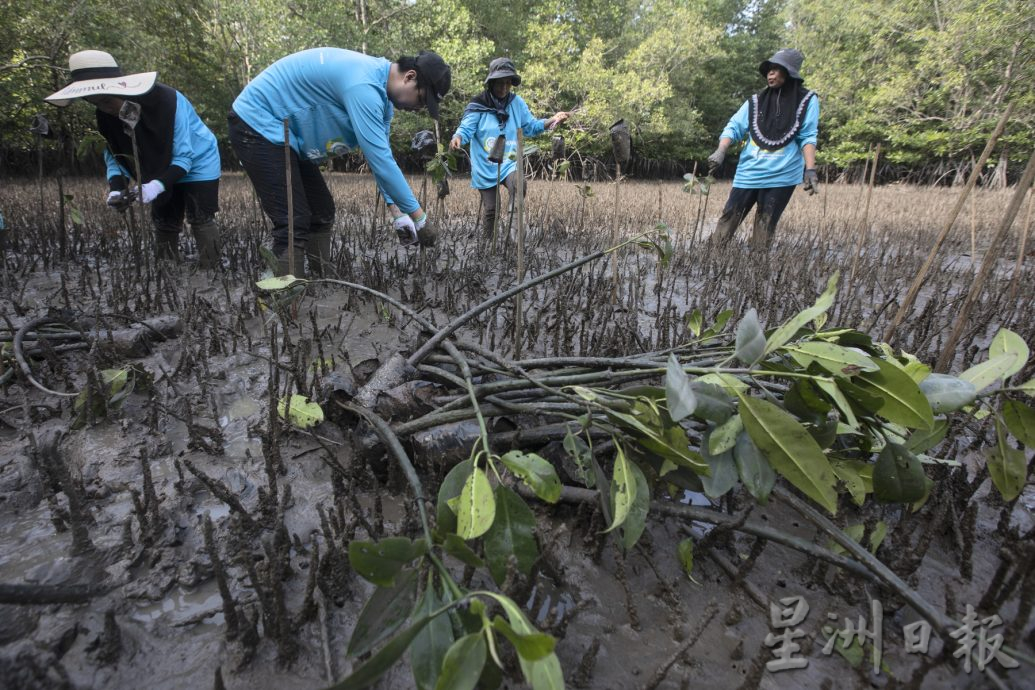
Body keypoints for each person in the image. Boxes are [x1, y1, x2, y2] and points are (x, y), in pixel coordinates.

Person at [229, 48, 451, 277]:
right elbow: (383, 164)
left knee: (322, 210)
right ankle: (280, 296)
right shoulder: (364, 87)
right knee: (294, 220)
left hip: (287, 137)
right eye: (422, 99)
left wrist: (398, 214)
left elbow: (382, 159)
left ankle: (320, 279)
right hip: (256, 123)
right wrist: (420, 219)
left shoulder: (382, 98)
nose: (418, 108)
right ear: (410, 76)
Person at [45, 50, 222, 267]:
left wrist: (155, 186)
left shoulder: (167, 101)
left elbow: (184, 158)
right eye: (95, 103)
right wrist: (116, 188)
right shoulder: (105, 115)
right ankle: (166, 268)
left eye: (107, 101)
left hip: (198, 161)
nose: (104, 108)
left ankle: (211, 269)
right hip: (155, 166)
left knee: (200, 217)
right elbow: (113, 155)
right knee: (165, 219)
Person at [707, 49, 819, 250]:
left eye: (777, 70)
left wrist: (810, 169)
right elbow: (734, 126)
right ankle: (712, 257)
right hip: (749, 172)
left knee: (765, 225)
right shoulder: (755, 101)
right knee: (727, 220)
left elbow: (808, 135)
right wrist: (721, 150)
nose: (771, 74)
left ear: (789, 73)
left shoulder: (808, 100)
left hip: (783, 175)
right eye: (769, 70)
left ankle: (758, 268)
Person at [449, 58, 569, 237]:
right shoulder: (478, 105)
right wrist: (457, 137)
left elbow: (530, 126)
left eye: (508, 83)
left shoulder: (516, 103)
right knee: (491, 210)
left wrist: (552, 120)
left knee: (519, 184)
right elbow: (465, 129)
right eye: (500, 83)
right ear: (491, 83)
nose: (504, 88)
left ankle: (513, 237)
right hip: (484, 165)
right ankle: (488, 246)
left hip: (509, 163)